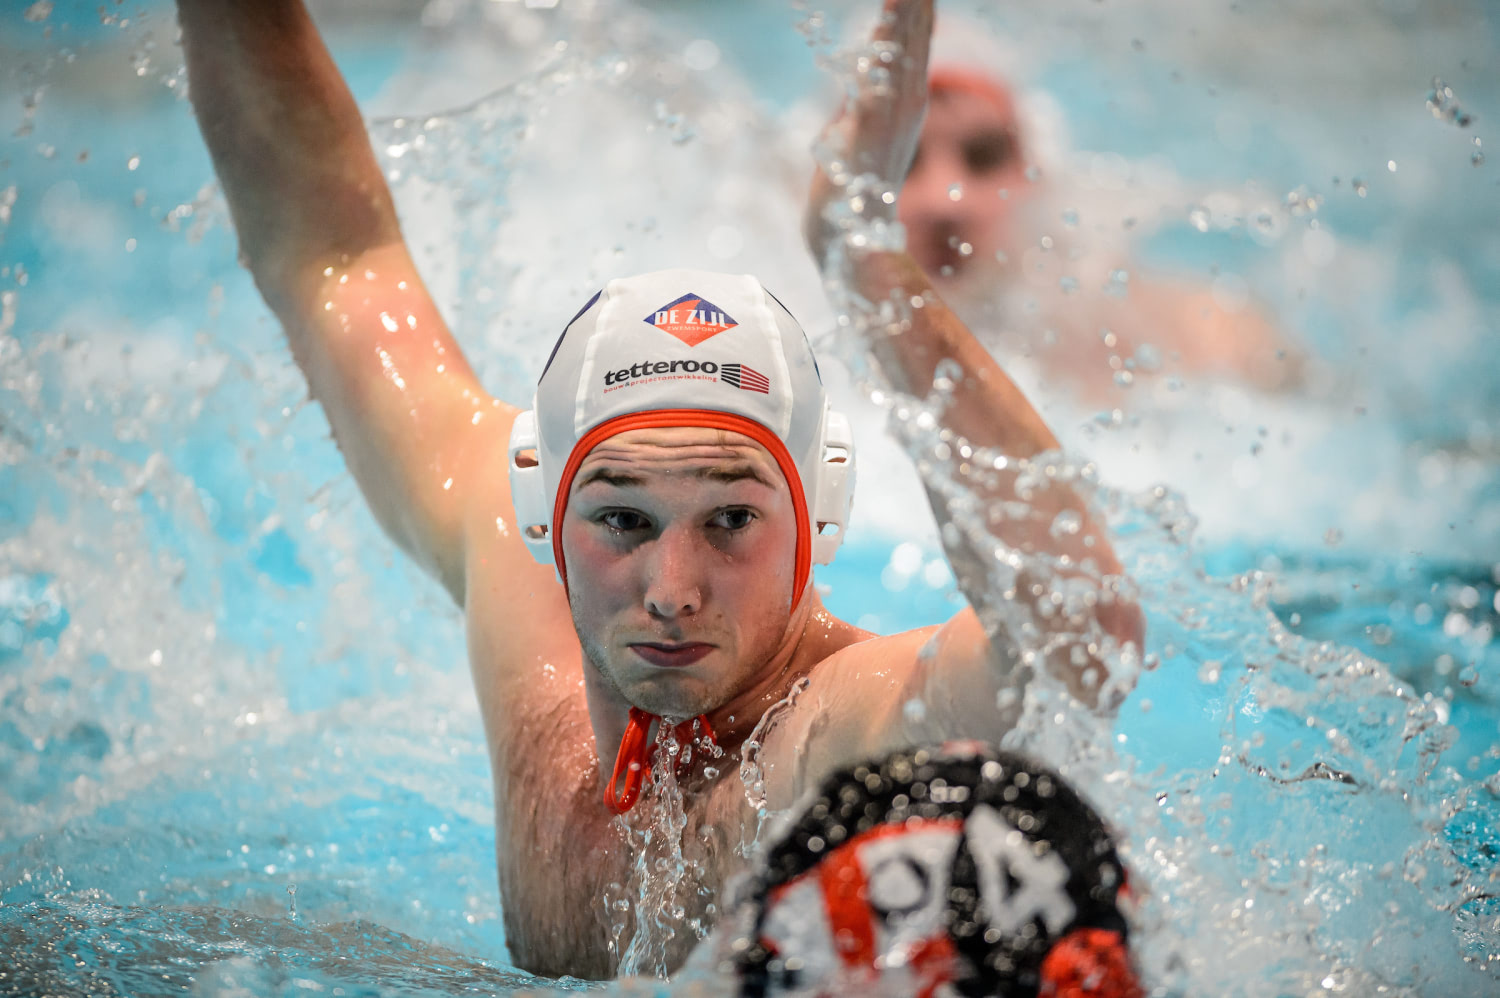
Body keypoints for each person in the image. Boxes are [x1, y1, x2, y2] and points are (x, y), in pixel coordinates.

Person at [178, 0, 1141, 981]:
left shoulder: (830, 727)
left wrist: (864, 261)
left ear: (818, 523)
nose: (672, 586)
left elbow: (1079, 636)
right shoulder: (524, 595)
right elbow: (332, 254)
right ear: (540, 517)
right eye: (622, 519)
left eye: (731, 519)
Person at [892, 56, 1301, 403]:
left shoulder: (1165, 333)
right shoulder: (832, 368)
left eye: (983, 156)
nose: (945, 199)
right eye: (901, 159)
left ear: (1033, 175)